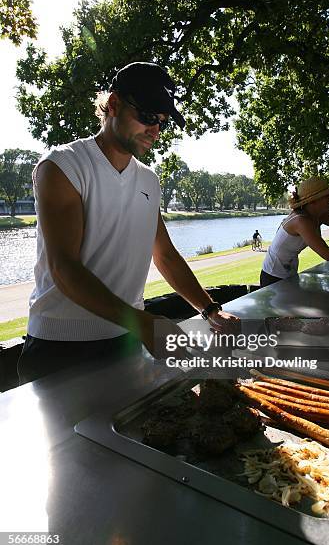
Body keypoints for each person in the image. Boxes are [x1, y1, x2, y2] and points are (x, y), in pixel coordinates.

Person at [18, 62, 239, 383]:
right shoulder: (63, 165)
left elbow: (164, 254)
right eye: (148, 116)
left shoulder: (149, 180)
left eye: (162, 122)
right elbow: (64, 268)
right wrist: (145, 324)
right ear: (113, 104)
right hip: (60, 350)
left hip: (127, 341)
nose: (156, 130)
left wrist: (210, 310)